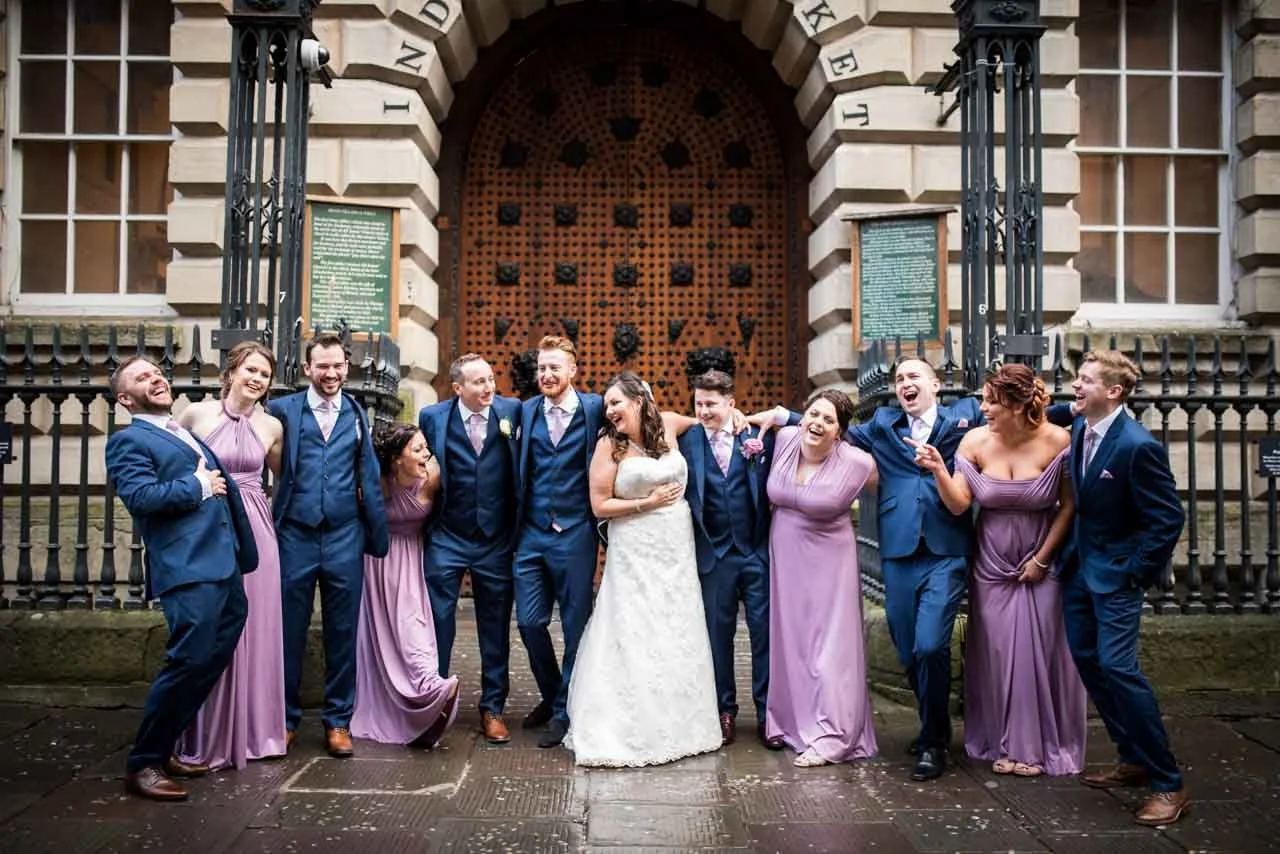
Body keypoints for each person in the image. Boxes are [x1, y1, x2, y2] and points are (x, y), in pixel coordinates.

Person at [760, 357, 980, 780]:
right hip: (897, 550)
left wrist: (1069, 412)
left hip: (944, 549)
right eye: (899, 379)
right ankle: (934, 722)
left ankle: (934, 742)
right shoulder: (882, 424)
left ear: (935, 383)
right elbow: (834, 427)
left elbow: (1007, 411)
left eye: (913, 376)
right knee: (906, 645)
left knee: (931, 644)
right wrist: (785, 415)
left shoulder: (964, 418)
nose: (904, 384)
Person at [908, 363, 1086, 777]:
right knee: (997, 652)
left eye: (992, 400)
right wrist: (937, 469)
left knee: (1040, 649)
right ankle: (1002, 741)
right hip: (991, 562)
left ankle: (1038, 747)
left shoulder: (1058, 440)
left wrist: (1043, 559)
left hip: (1041, 555)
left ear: (1019, 404)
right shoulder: (974, 442)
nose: (982, 407)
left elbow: (1070, 506)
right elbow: (957, 504)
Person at [105, 356, 257, 801]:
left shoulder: (178, 430)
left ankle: (165, 745)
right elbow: (140, 497)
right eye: (141, 377)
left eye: (155, 372)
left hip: (223, 564)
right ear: (124, 397)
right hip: (188, 568)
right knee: (187, 660)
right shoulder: (129, 440)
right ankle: (144, 764)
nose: (154, 378)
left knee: (209, 659)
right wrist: (199, 487)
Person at [565, 372, 721, 767]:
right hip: (634, 547)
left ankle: (684, 722)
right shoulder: (608, 446)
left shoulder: (668, 423)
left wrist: (738, 419)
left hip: (676, 549)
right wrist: (646, 504)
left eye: (616, 402)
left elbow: (707, 421)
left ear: (638, 400)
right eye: (606, 406)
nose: (610, 410)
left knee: (675, 626)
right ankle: (629, 724)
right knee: (635, 626)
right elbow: (599, 505)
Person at [1059, 351, 1189, 825]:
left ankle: (1168, 783)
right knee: (1090, 664)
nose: (1075, 385)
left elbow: (1168, 517)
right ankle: (1131, 758)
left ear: (1113, 392)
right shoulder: (1081, 428)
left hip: (1116, 577)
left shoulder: (1137, 446)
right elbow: (1056, 415)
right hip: (1078, 571)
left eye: (1086, 380)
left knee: (1119, 668)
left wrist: (1135, 570)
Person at [268, 334, 389, 759]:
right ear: (307, 369)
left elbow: (368, 476)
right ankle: (283, 720)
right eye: (323, 366)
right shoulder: (281, 411)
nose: (332, 373)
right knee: (288, 632)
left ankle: (338, 721)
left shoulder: (357, 412)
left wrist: (376, 535)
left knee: (343, 632)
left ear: (347, 366)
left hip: (343, 535)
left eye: (338, 365)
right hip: (295, 535)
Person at [174, 341, 288, 771]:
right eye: (251, 370)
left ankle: (257, 732)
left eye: (265, 374)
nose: (257, 379)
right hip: (209, 522)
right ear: (233, 370)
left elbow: (282, 478)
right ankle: (204, 732)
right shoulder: (195, 415)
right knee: (213, 625)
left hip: (256, 526)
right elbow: (178, 470)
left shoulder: (272, 426)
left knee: (256, 628)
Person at [765, 390, 879, 766]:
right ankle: (791, 721)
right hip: (786, 552)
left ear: (840, 432)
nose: (818, 423)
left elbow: (887, 483)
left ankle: (834, 732)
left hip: (830, 558)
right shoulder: (784, 439)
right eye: (814, 414)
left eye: (829, 420)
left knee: (831, 645)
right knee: (793, 639)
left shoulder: (857, 462)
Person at [419, 353, 522, 744]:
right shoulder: (432, 417)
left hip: (494, 539)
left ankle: (492, 707)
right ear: (457, 388)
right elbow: (414, 459)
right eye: (478, 382)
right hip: (447, 534)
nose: (488, 388)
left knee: (494, 627)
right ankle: (437, 701)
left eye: (491, 379)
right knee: (437, 622)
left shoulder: (512, 411)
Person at [678, 369, 784, 750]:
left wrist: (772, 416)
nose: (704, 411)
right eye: (699, 403)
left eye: (711, 404)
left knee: (763, 636)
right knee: (717, 639)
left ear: (732, 404)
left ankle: (767, 714)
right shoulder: (686, 440)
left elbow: (817, 422)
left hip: (755, 552)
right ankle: (724, 711)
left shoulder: (756, 437)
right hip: (715, 557)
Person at [514, 336, 605, 748]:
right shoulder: (523, 411)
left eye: (554, 368)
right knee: (530, 622)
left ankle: (565, 710)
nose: (546, 375)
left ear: (573, 370)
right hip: (532, 534)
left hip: (576, 534)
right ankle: (554, 694)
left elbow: (647, 417)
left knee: (575, 625)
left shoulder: (596, 408)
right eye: (541, 369)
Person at [350, 424, 460, 747]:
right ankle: (389, 706)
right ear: (396, 459)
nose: (426, 454)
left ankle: (430, 688)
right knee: (380, 639)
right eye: (417, 449)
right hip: (377, 564)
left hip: (413, 561)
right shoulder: (377, 483)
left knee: (413, 627)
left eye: (426, 447)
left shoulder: (432, 477)